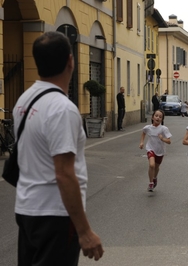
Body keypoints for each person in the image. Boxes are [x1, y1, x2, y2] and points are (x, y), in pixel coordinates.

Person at [12, 31, 103, 265]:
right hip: (55, 214)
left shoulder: (23, 101)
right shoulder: (62, 109)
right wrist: (84, 231)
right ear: (70, 61)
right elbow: (63, 173)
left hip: (27, 209)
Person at [139, 110, 172, 192]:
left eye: (160, 117)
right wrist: (142, 142)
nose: (158, 117)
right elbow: (143, 132)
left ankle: (155, 178)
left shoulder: (164, 129)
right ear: (152, 117)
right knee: (152, 165)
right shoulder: (148, 128)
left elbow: (169, 141)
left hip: (160, 151)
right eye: (156, 116)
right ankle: (151, 183)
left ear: (162, 119)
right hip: (150, 148)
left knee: (156, 167)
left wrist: (162, 138)